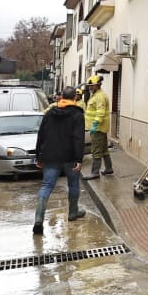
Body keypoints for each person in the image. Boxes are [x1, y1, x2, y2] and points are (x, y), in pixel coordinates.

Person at [33, 88, 87, 235]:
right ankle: (73, 213)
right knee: (73, 184)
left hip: (50, 156)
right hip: (70, 157)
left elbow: (41, 135)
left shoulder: (50, 113)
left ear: (62, 97)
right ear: (74, 98)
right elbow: (78, 138)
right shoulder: (77, 114)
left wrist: (39, 156)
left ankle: (38, 220)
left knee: (46, 186)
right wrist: (79, 159)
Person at [82, 75, 112, 179]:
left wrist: (95, 125)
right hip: (100, 128)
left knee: (96, 151)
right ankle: (109, 168)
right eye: (89, 86)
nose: (90, 87)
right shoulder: (96, 95)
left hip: (98, 129)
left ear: (98, 85)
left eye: (92, 86)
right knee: (104, 150)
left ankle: (95, 172)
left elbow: (100, 113)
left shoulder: (99, 96)